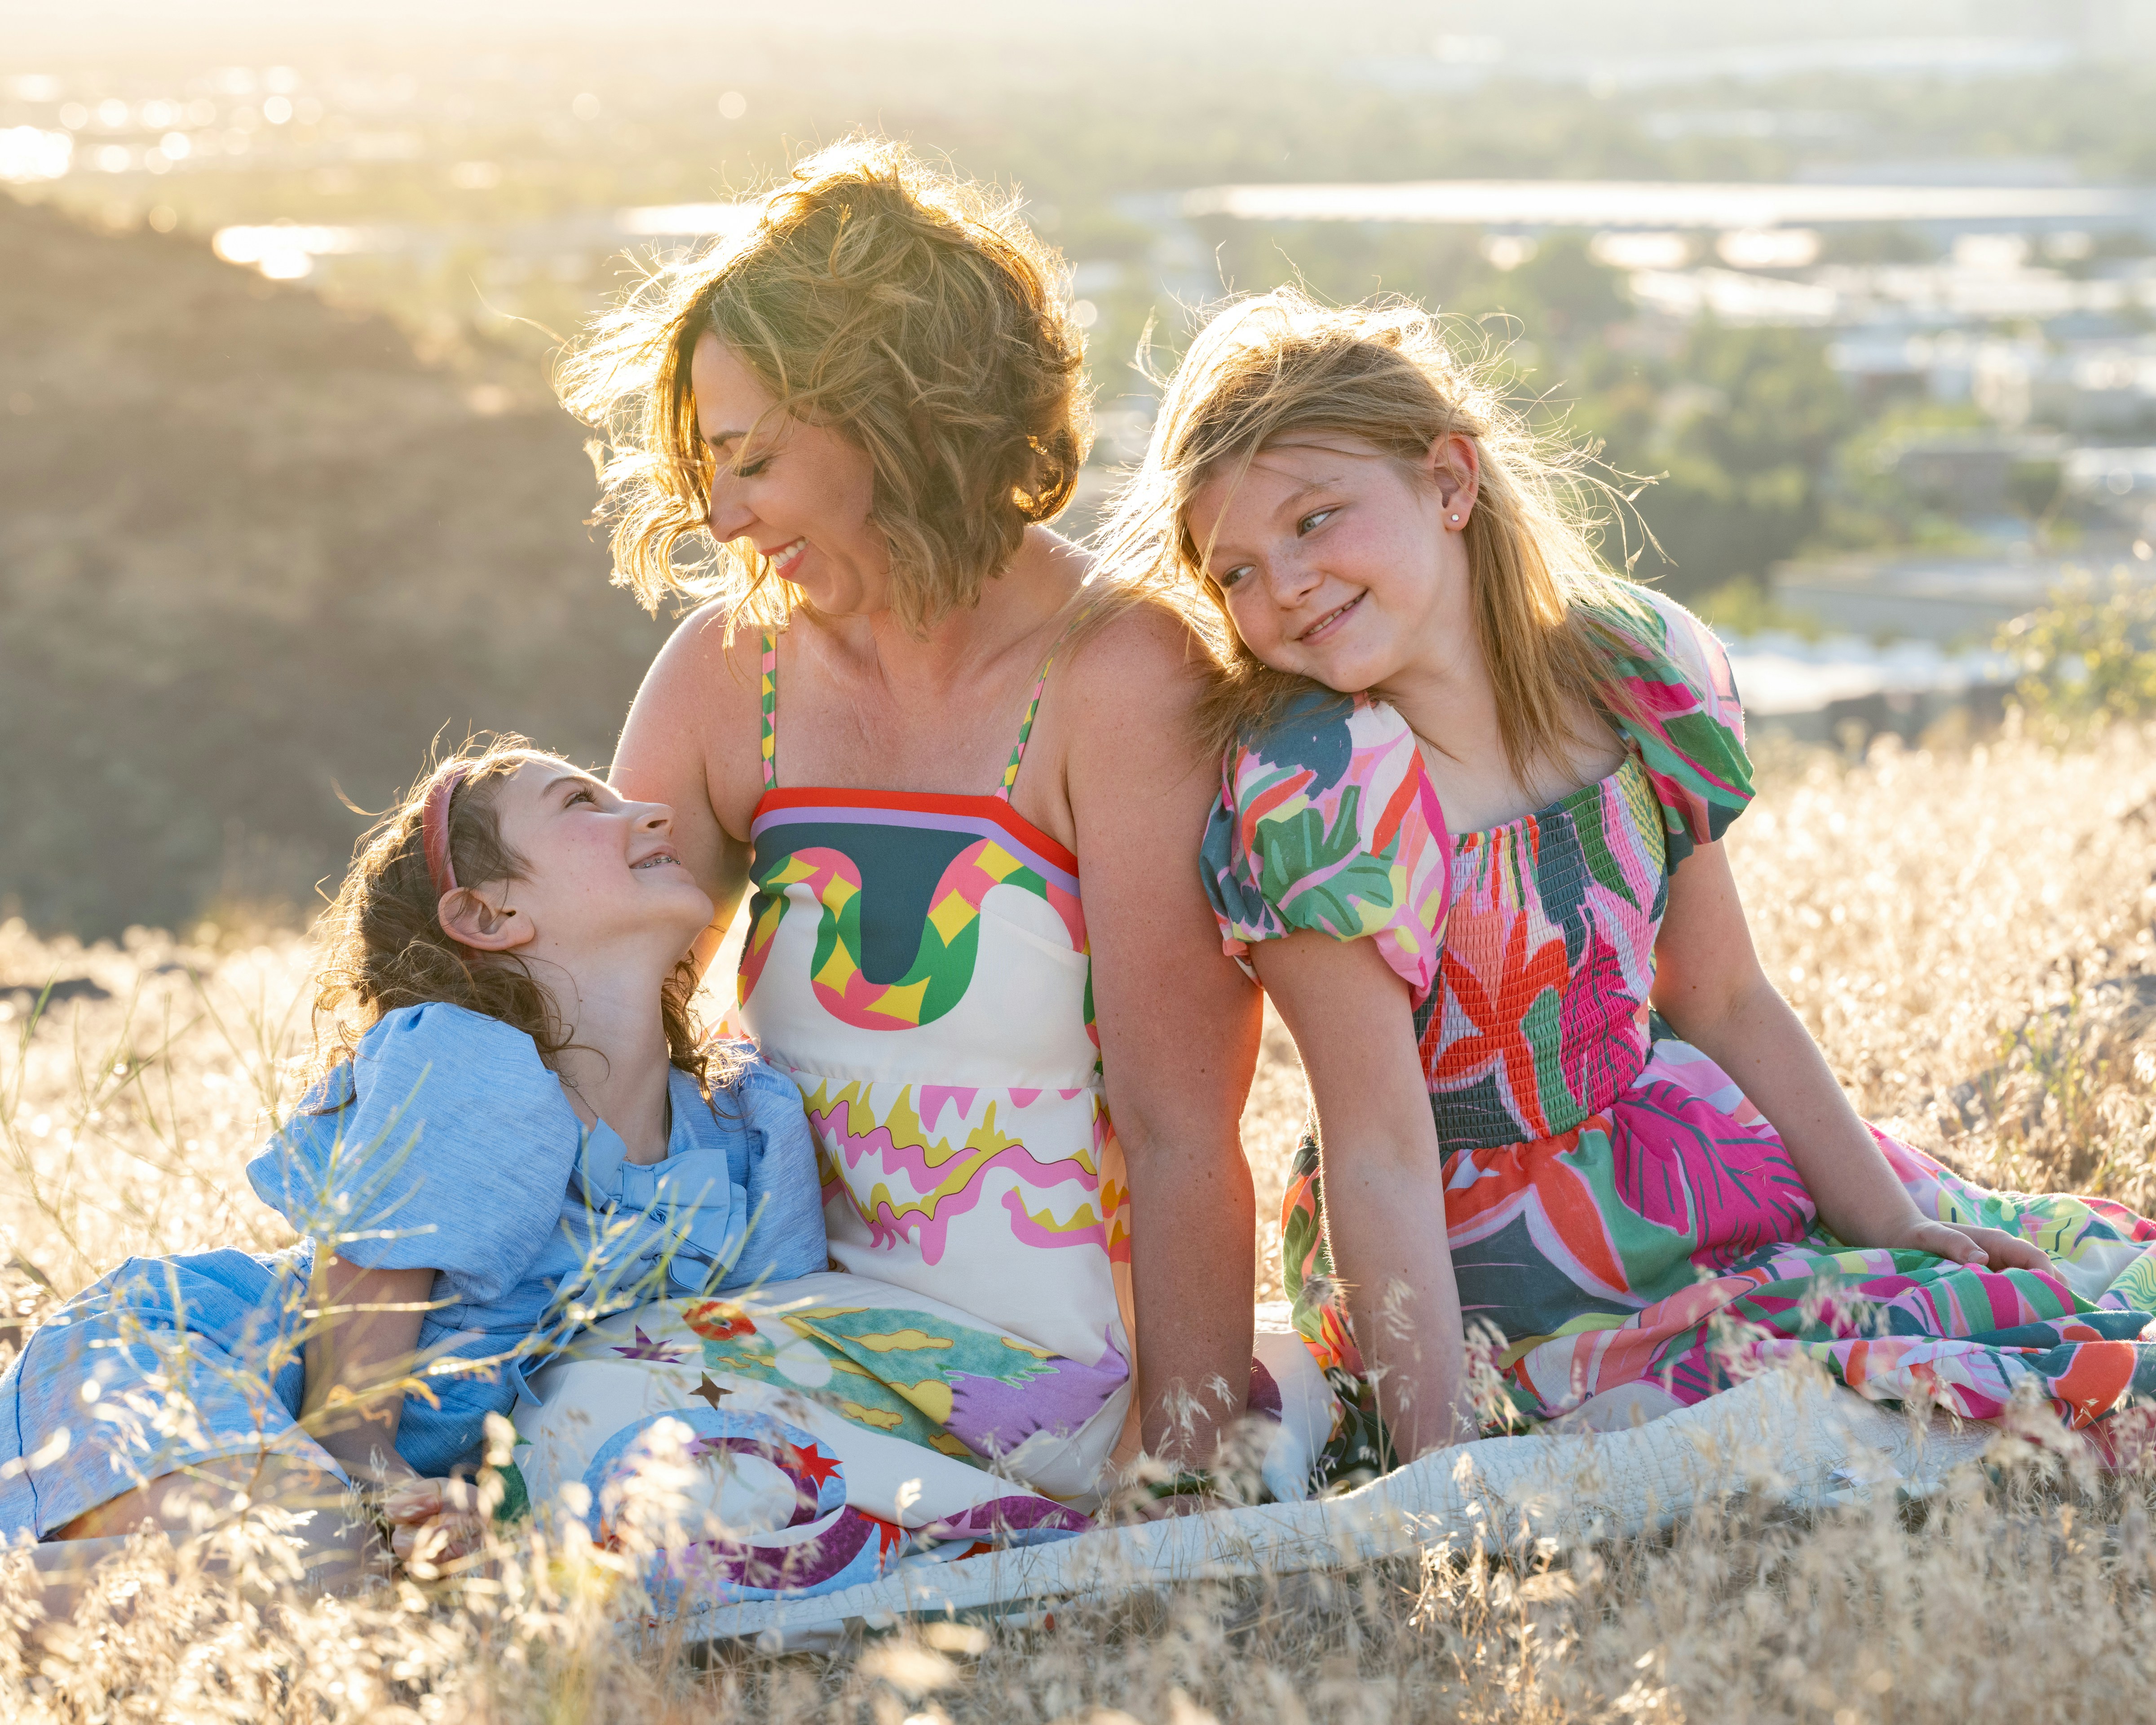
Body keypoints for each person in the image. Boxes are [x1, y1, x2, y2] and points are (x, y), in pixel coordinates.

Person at [1104, 285, 2156, 1471]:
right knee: (1847, 1390)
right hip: (1485, 1254)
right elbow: (1380, 1151)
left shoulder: (1631, 673)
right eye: (1232, 569)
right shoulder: (1323, 795)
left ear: (1451, 483)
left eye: (1315, 519)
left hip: (1681, 1147)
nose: (1279, 586)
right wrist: (1439, 1458)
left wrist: (1893, 1221)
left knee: (2030, 1295)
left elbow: (1721, 997)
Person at [557, 137, 1263, 1497]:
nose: (721, 514)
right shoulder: (726, 675)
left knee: (603, 1447)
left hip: (1058, 1384)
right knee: (539, 1422)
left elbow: (1186, 1137)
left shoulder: (1118, 678)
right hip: (786, 1343)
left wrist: (1174, 1482)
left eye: (754, 459)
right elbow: (583, 1023)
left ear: (893, 420)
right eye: (711, 467)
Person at [0, 737, 826, 1610]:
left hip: (342, 1482)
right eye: (585, 804)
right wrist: (377, 1481)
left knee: (350, 1590)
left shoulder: (750, 1128)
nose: (652, 813)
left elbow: (780, 1372)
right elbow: (347, 1409)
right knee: (320, 1565)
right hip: (191, 1365)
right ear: (485, 916)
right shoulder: (472, 1063)